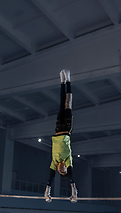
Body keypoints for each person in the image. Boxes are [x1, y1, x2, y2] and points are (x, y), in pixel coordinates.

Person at [44, 69, 78, 203]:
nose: (60, 169)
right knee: (68, 101)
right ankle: (68, 79)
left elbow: (50, 177)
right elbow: (72, 177)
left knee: (60, 103)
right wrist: (74, 192)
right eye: (62, 171)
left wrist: (47, 192)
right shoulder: (67, 160)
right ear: (65, 169)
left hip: (58, 128)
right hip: (67, 127)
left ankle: (62, 82)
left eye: (60, 171)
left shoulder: (55, 161)